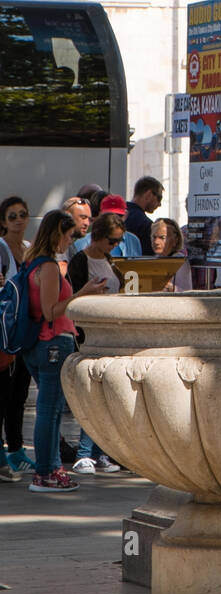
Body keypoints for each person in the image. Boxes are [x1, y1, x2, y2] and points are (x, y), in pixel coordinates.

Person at [20, 210, 106, 492]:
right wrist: (82, 294)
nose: (69, 242)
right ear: (58, 233)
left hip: (41, 344)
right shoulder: (47, 267)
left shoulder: (32, 263)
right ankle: (45, 473)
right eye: (68, 236)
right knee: (48, 410)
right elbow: (51, 311)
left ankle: (52, 469)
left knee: (53, 410)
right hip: (52, 341)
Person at [66, 213, 123, 477]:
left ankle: (99, 451)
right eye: (112, 241)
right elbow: (73, 296)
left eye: (118, 241)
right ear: (98, 237)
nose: (115, 245)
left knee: (106, 394)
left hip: (110, 331)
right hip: (87, 333)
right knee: (92, 393)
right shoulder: (81, 260)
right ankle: (85, 454)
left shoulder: (110, 259)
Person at [0, 196, 35, 476]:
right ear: (3, 222)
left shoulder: (29, 249)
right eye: (13, 216)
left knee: (19, 393)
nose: (19, 220)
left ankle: (16, 449)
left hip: (24, 328)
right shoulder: (0, 248)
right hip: (5, 330)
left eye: (23, 214)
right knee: (4, 392)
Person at [70, 195, 142, 260]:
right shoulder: (82, 243)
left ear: (126, 215)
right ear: (100, 214)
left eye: (118, 216)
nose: (114, 220)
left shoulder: (133, 241)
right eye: (108, 216)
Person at [124, 177, 164, 257]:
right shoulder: (146, 224)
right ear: (148, 194)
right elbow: (148, 259)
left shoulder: (115, 216)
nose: (160, 204)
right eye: (159, 198)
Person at [61, 196, 92, 260]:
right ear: (67, 217)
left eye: (89, 219)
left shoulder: (69, 244)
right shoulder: (58, 246)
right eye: (83, 217)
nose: (87, 223)